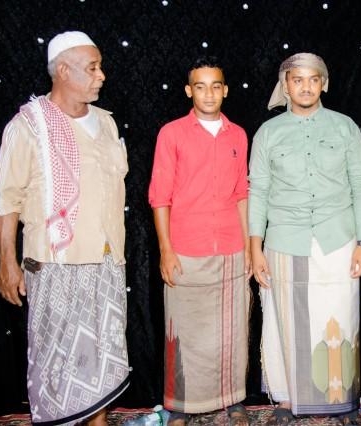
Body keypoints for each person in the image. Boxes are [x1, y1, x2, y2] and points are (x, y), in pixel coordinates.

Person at [0, 31, 129, 425]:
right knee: (58, 359)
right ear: (63, 71)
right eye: (93, 68)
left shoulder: (105, 123)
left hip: (106, 260)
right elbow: (5, 197)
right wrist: (7, 262)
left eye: (100, 66)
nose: (101, 75)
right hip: (56, 264)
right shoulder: (28, 125)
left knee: (103, 355)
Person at [248, 52, 361, 425]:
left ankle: (340, 400)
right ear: (285, 85)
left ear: (324, 84)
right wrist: (255, 247)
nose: (306, 87)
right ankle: (288, 399)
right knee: (285, 320)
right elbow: (258, 192)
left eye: (313, 79)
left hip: (338, 239)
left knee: (338, 317)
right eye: (298, 79)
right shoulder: (268, 133)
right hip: (285, 239)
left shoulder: (345, 127)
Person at [148, 57, 251, 426]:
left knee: (232, 332)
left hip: (231, 248)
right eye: (201, 86)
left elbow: (241, 194)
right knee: (184, 332)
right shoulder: (171, 133)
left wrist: (248, 247)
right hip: (185, 249)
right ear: (189, 91)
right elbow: (159, 197)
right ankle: (179, 405)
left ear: (225, 90)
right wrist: (166, 250)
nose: (209, 94)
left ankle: (233, 400)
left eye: (216, 86)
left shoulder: (238, 135)